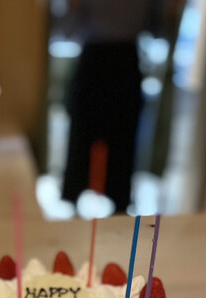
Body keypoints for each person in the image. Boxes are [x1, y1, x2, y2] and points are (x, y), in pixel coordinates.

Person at [61, 0, 157, 213]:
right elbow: (67, 31)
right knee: (81, 134)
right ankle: (73, 199)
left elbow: (156, 29)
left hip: (127, 60)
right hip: (93, 59)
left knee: (124, 139)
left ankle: (120, 202)